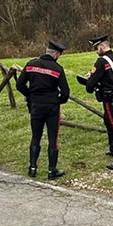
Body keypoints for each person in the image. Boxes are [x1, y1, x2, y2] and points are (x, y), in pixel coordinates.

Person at [16, 39, 70, 180]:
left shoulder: (30, 64)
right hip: (52, 107)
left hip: (36, 106)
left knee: (36, 136)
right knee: (53, 138)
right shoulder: (57, 69)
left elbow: (19, 85)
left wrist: (30, 95)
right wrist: (57, 101)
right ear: (57, 54)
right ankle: (52, 170)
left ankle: (32, 168)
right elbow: (65, 93)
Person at [82, 34, 113, 170]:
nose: (96, 51)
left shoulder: (102, 62)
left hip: (109, 97)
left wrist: (89, 81)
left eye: (97, 48)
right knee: (108, 121)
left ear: (102, 46)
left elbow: (90, 84)